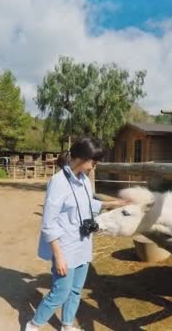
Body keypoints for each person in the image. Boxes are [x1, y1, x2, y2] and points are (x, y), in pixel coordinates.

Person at [25, 138, 128, 331]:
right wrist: (58, 257)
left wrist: (114, 203)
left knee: (75, 290)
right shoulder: (58, 183)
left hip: (83, 244)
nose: (94, 165)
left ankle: (66, 325)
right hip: (64, 248)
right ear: (81, 158)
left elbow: (88, 204)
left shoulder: (83, 180)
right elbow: (48, 223)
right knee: (60, 292)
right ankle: (33, 324)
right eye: (93, 161)